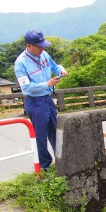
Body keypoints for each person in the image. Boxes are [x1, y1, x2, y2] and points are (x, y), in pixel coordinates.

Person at [14, 30, 67, 169]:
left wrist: (61, 70)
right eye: (39, 46)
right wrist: (46, 84)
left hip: (48, 99)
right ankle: (45, 167)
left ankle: (62, 161)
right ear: (29, 46)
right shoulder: (21, 63)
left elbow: (55, 67)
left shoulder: (44, 54)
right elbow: (26, 88)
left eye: (43, 46)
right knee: (41, 136)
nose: (42, 49)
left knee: (55, 131)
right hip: (35, 101)